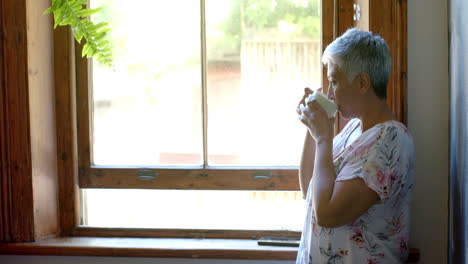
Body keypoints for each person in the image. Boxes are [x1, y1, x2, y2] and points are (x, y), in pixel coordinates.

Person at [295, 28, 415, 264]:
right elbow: (309, 186)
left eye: (334, 81)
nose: (329, 92)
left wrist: (323, 138)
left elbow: (328, 214)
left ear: (362, 82)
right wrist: (314, 130)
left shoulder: (391, 139)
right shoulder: (353, 130)